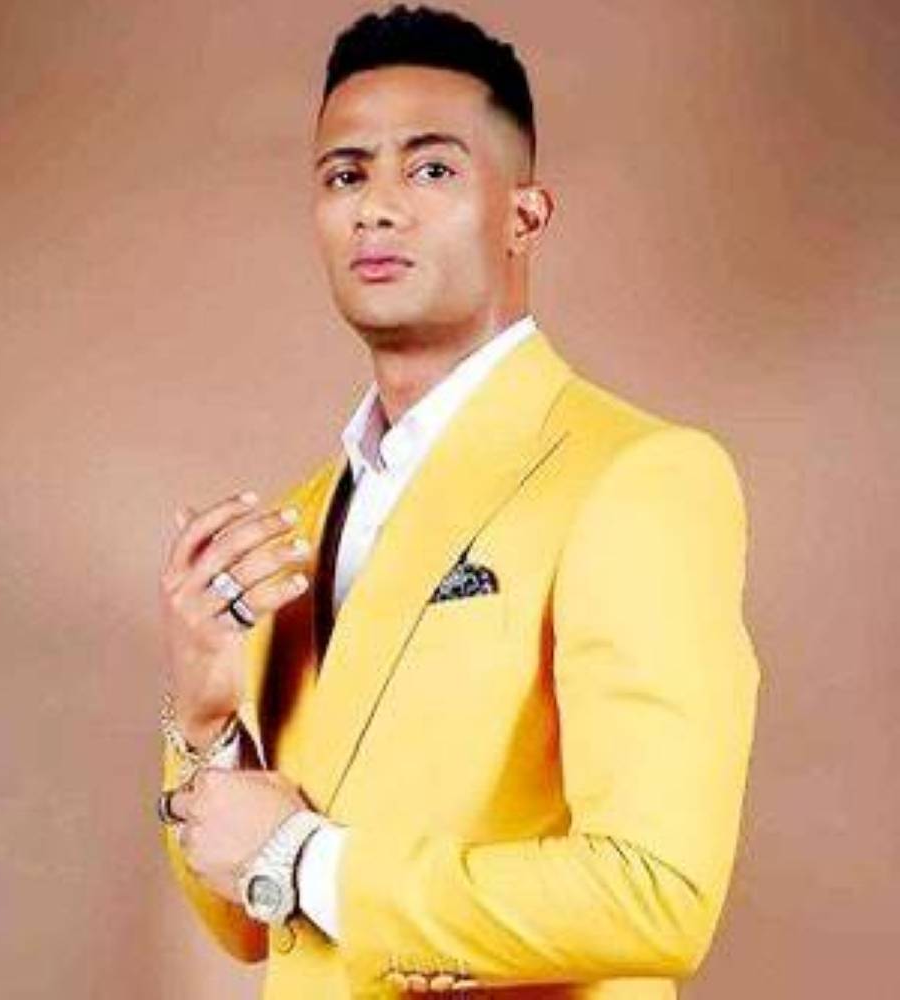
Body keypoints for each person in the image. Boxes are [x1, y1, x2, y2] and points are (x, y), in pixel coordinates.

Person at [155, 4, 760, 997]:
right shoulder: (299, 521)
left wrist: (309, 860)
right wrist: (203, 712)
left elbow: (660, 893)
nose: (376, 207)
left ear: (525, 214)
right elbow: (248, 926)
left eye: (430, 169)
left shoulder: (637, 475)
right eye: (345, 175)